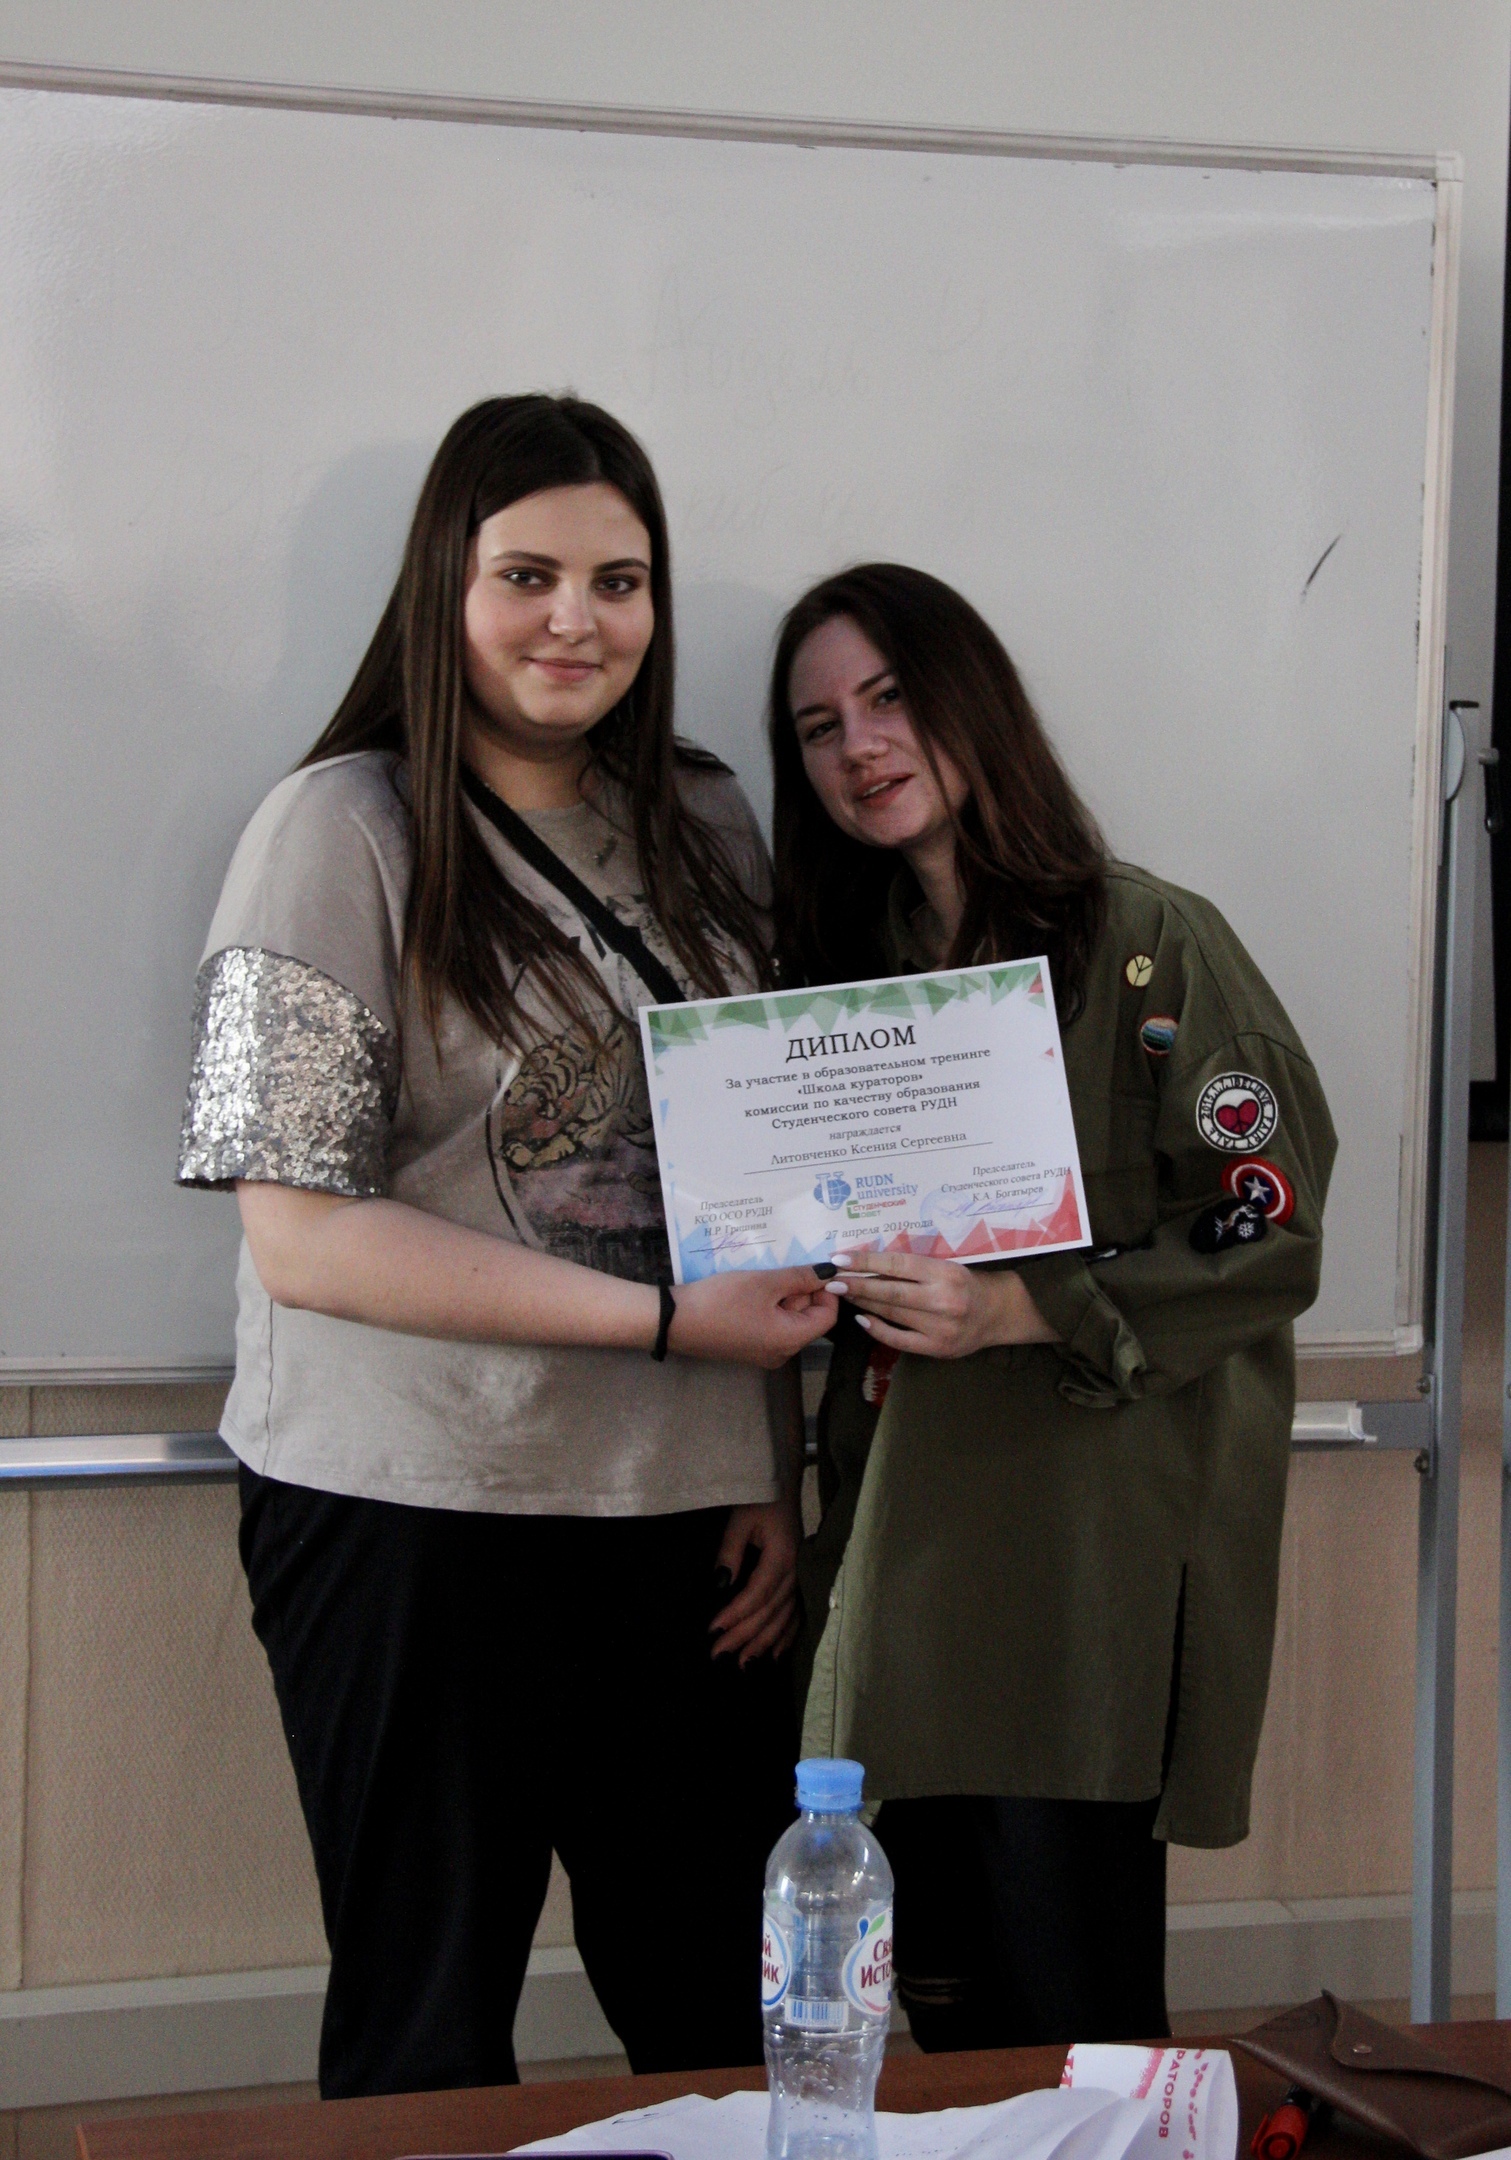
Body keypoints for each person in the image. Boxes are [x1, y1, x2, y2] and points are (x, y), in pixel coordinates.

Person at [177, 395, 836, 2097]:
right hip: (411, 1511)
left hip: (685, 1526)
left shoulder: (708, 819)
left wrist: (768, 1461)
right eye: (527, 576)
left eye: (619, 582)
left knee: (719, 2011)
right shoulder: (333, 829)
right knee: (428, 2026)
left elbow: (755, 1175)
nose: (576, 621)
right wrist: (673, 1330)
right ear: (443, 588)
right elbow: (302, 1237)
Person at [771, 563, 1337, 2049]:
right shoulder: (840, 988)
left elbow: (1270, 1224)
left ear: (974, 703)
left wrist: (1027, 1313)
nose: (859, 748)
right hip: (901, 1557)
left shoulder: (1156, 947)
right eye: (820, 727)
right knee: (943, 2021)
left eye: (890, 698)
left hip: (1084, 1573)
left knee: (1077, 2028)